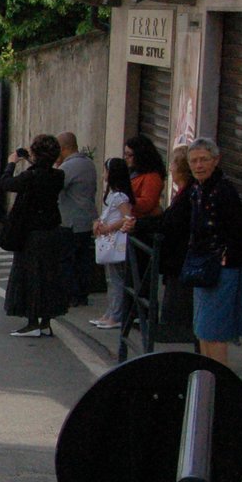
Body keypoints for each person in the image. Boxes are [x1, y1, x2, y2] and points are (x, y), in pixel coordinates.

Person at [183, 138, 242, 365]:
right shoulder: (197, 188)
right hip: (204, 268)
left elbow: (240, 230)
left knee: (213, 332)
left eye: (204, 159)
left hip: (221, 269)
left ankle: (219, 383)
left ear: (216, 160)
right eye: (194, 161)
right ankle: (208, 379)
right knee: (203, 330)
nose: (198, 165)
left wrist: (234, 259)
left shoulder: (223, 190)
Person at [0, 134, 69, 337]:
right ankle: (45, 322)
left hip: (31, 234)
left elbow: (6, 184)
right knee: (48, 277)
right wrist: (32, 159)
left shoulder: (30, 177)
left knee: (29, 277)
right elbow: (43, 171)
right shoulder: (58, 176)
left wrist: (11, 163)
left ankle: (32, 323)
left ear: (36, 155)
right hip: (52, 232)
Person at [139, 145, 196, 345]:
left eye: (172, 163)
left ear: (180, 168)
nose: (170, 168)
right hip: (177, 261)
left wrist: (139, 224)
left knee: (180, 314)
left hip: (181, 261)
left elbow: (170, 222)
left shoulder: (189, 194)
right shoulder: (184, 192)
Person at [88, 158, 134, 330]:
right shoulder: (114, 195)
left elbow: (127, 217)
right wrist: (98, 223)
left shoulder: (120, 196)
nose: (103, 174)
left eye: (106, 170)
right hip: (110, 239)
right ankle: (110, 313)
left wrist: (108, 227)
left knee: (117, 280)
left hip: (116, 241)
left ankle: (116, 315)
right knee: (112, 280)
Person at [55, 132, 97, 307]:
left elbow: (55, 185)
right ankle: (81, 294)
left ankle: (72, 294)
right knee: (83, 259)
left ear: (64, 148)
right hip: (87, 219)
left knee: (68, 260)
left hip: (71, 221)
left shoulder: (69, 167)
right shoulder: (88, 163)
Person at [123, 133, 167, 219]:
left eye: (130, 155)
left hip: (141, 224)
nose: (126, 158)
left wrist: (125, 198)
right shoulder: (133, 171)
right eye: (125, 154)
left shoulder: (152, 177)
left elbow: (146, 204)